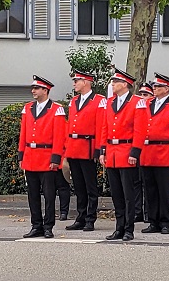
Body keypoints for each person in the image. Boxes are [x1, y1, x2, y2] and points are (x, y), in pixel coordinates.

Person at [99, 68, 146, 241]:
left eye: (115, 82)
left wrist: (135, 151)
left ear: (125, 84)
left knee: (128, 194)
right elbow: (105, 127)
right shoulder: (110, 102)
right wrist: (103, 150)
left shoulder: (137, 102)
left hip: (127, 151)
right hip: (112, 152)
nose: (112, 85)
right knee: (116, 194)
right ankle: (119, 227)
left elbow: (140, 130)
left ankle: (129, 229)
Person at [18, 75, 66, 238]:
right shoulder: (28, 108)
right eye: (33, 88)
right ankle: (36, 225)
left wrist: (56, 158)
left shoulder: (56, 109)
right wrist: (21, 155)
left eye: (36, 88)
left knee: (49, 194)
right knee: (32, 194)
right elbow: (23, 133)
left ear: (45, 90)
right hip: (30, 156)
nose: (33, 91)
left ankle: (48, 226)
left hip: (46, 156)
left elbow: (60, 136)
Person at [140, 73, 169, 235]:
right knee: (150, 189)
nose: (154, 89)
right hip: (147, 152)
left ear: (166, 89)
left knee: (165, 190)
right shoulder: (148, 103)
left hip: (165, 151)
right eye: (154, 86)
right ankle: (153, 221)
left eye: (158, 86)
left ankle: (165, 221)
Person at [64, 70, 106, 232]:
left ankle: (90, 218)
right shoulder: (74, 101)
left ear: (86, 82)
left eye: (77, 81)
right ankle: (80, 217)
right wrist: (67, 149)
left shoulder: (99, 100)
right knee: (79, 186)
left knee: (90, 187)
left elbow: (102, 126)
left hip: (88, 147)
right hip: (74, 147)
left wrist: (98, 149)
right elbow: (69, 126)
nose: (74, 84)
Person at [134, 82, 154, 223]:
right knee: (136, 182)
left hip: (150, 150)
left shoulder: (152, 107)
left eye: (145, 95)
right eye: (140, 94)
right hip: (139, 149)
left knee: (148, 184)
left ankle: (148, 212)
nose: (142, 97)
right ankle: (137, 211)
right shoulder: (138, 107)